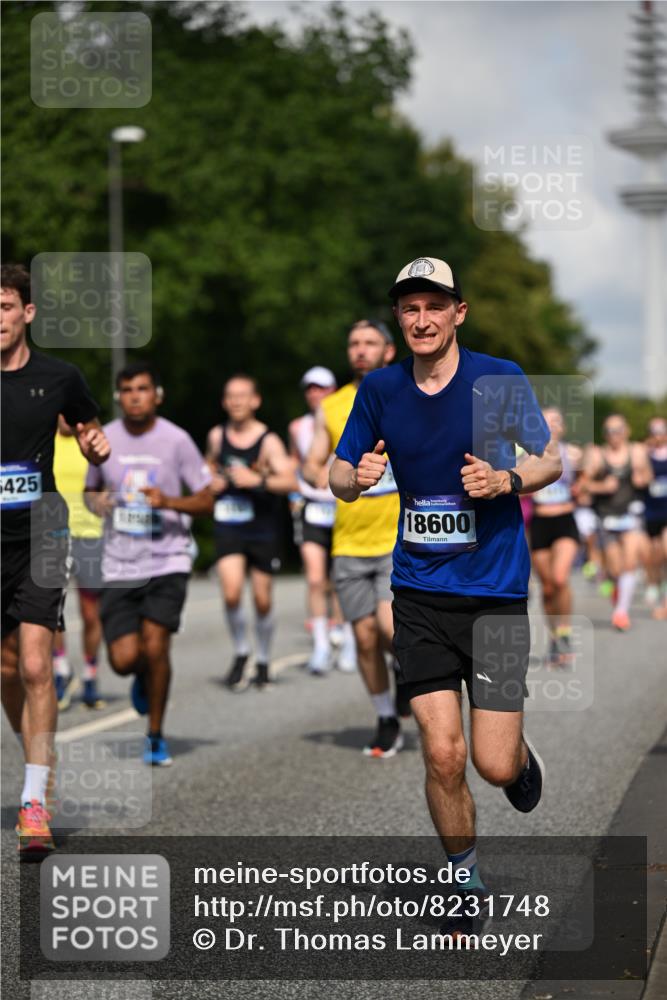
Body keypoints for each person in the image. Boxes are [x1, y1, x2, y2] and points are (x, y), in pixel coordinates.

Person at [330, 257, 561, 932]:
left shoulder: (498, 377)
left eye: (434, 306)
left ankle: (516, 758)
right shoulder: (379, 388)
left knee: (489, 764)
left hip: (492, 592)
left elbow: (548, 458)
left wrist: (508, 480)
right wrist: (357, 475)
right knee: (441, 752)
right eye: (409, 308)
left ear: (458, 312)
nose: (421, 319)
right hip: (420, 592)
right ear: (398, 318)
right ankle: (462, 878)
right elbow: (337, 474)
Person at [1, 263, 110, 855]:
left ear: (28, 313)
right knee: (7, 671)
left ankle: (34, 803)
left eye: (5, 306)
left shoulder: (60, 376)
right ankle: (39, 761)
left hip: (42, 533)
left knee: (38, 665)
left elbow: (92, 432)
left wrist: (97, 445)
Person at [85, 362, 213, 766]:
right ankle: (142, 675)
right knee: (123, 660)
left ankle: (155, 734)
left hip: (167, 559)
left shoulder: (177, 440)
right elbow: (90, 490)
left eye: (142, 389)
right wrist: (98, 501)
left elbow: (207, 498)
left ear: (157, 394)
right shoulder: (103, 438)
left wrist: (169, 501)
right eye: (126, 390)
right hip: (120, 564)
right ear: (118, 396)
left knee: (156, 645)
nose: (134, 396)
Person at [304, 320, 405, 758]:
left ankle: (404, 666)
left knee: (388, 627)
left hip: (396, 536)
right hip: (348, 540)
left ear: (388, 350)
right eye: (354, 344)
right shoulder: (333, 405)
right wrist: (337, 471)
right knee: (363, 639)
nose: (360, 350)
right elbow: (312, 463)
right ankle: (385, 717)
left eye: (370, 343)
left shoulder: (407, 391)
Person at [206, 375, 296, 690]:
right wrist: (212, 481)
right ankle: (242, 652)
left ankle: (263, 659)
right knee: (231, 593)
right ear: (224, 402)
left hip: (262, 526)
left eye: (243, 396)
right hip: (229, 523)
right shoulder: (217, 436)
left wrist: (255, 480)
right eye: (231, 396)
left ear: (255, 401)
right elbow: (208, 468)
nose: (236, 402)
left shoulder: (268, 440)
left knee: (261, 600)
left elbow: (290, 482)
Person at [288, 366, 356, 675]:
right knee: (316, 578)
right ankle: (320, 645)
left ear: (332, 390)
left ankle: (347, 636)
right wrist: (296, 491)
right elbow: (295, 463)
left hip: (343, 505)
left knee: (342, 579)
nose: (315, 394)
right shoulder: (297, 427)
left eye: (321, 388)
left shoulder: (347, 414)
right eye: (310, 389)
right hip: (313, 506)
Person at [52, 415, 106, 709]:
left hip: (90, 534)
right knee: (52, 612)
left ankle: (89, 676)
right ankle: (61, 673)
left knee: (90, 613)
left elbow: (110, 480)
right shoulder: (44, 440)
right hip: (52, 533)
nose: (65, 417)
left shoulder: (93, 443)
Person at [583, 414, 653, 631]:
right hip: (606, 518)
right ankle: (616, 587)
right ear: (605, 434)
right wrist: (602, 486)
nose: (615, 435)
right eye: (610, 431)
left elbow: (648, 476)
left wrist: (642, 478)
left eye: (618, 430)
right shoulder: (597, 455)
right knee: (615, 568)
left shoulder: (637, 452)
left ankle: (621, 613)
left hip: (630, 514)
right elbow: (583, 484)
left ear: (627, 431)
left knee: (630, 563)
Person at [527, 408, 582, 666]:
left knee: (560, 578)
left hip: (565, 521)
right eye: (545, 422)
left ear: (562, 427)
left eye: (555, 422)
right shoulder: (530, 455)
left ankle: (565, 630)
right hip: (539, 523)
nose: (550, 426)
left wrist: (585, 486)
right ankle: (554, 637)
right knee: (547, 588)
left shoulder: (574, 454)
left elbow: (588, 483)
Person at [643, 417, 667, 618]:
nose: (658, 435)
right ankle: (653, 583)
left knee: (666, 550)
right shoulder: (645, 454)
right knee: (654, 555)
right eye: (655, 431)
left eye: (662, 431)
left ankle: (664, 601)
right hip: (651, 511)